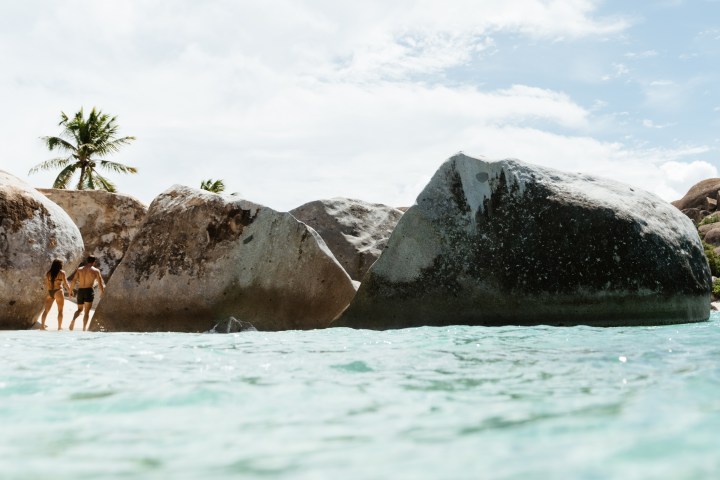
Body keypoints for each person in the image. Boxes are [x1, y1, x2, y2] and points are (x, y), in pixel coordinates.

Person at [69, 256, 105, 331]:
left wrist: (70, 291)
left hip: (80, 290)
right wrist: (102, 292)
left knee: (79, 309)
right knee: (87, 311)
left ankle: (73, 320)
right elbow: (100, 282)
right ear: (94, 262)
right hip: (88, 291)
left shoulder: (79, 269)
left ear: (87, 261)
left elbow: (74, 280)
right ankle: (84, 329)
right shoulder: (96, 271)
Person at [40, 259, 72, 330]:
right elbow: (66, 283)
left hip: (50, 292)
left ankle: (42, 326)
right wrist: (70, 291)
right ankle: (59, 327)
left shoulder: (48, 273)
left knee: (46, 310)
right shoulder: (62, 273)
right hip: (58, 291)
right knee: (60, 311)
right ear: (59, 265)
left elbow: (47, 284)